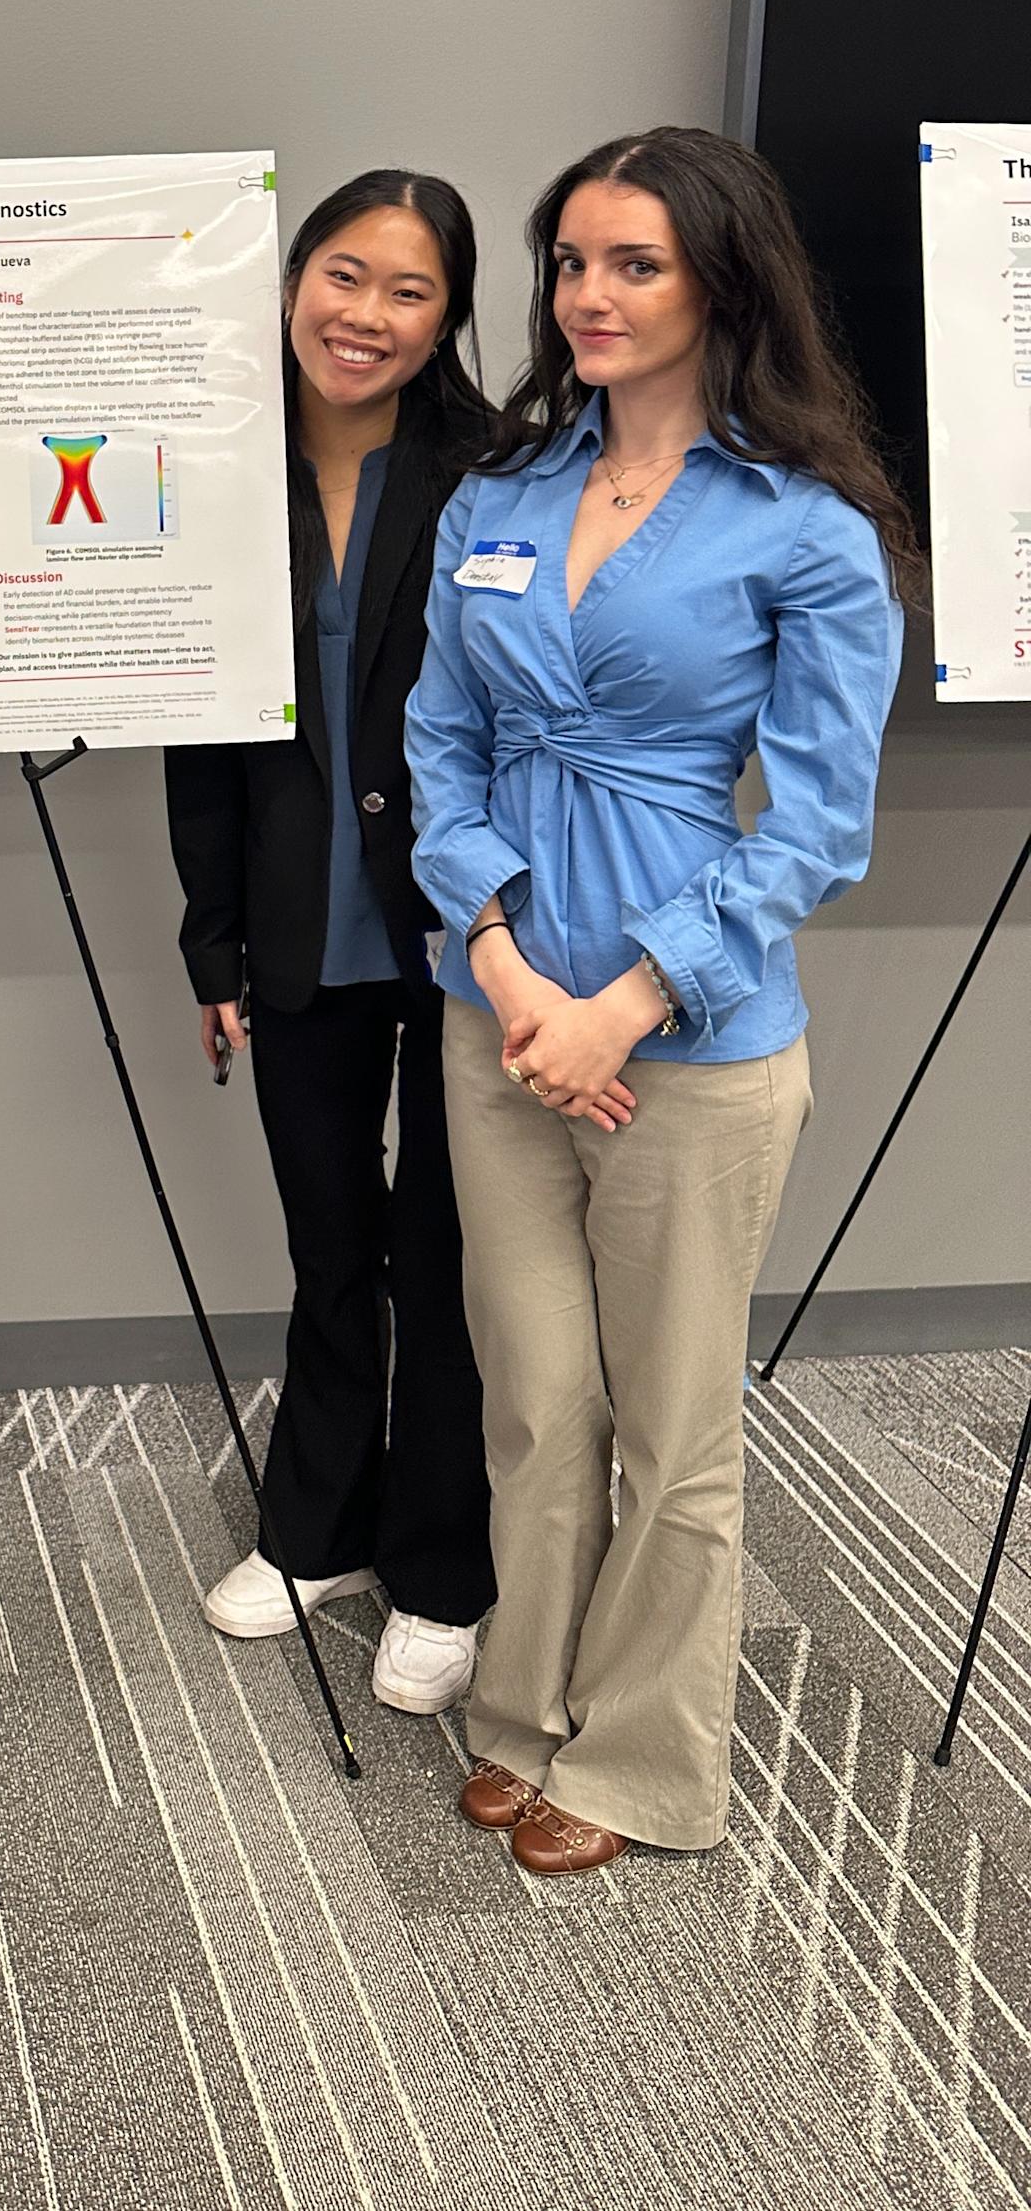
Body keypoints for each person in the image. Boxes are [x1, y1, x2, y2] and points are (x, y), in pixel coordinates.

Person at [407, 127, 916, 1874]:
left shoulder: (810, 530)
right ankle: (521, 1709)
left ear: (723, 280)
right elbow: (438, 741)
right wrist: (494, 956)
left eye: (635, 262)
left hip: (683, 1050)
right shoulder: (500, 494)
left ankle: (636, 1764)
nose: (590, 295)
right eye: (570, 263)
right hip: (496, 1025)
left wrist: (620, 1006)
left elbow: (818, 829)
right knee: (540, 1399)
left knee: (676, 1431)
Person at [166, 172, 494, 1715]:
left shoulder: (499, 472)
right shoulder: (218, 467)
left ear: (449, 317)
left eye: (408, 290)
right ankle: (319, 1528)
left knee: (438, 1254)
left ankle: (444, 1567)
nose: (366, 315)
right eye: (344, 276)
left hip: (469, 930)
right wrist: (214, 944)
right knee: (327, 1250)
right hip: (298, 929)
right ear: (293, 278)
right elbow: (202, 729)